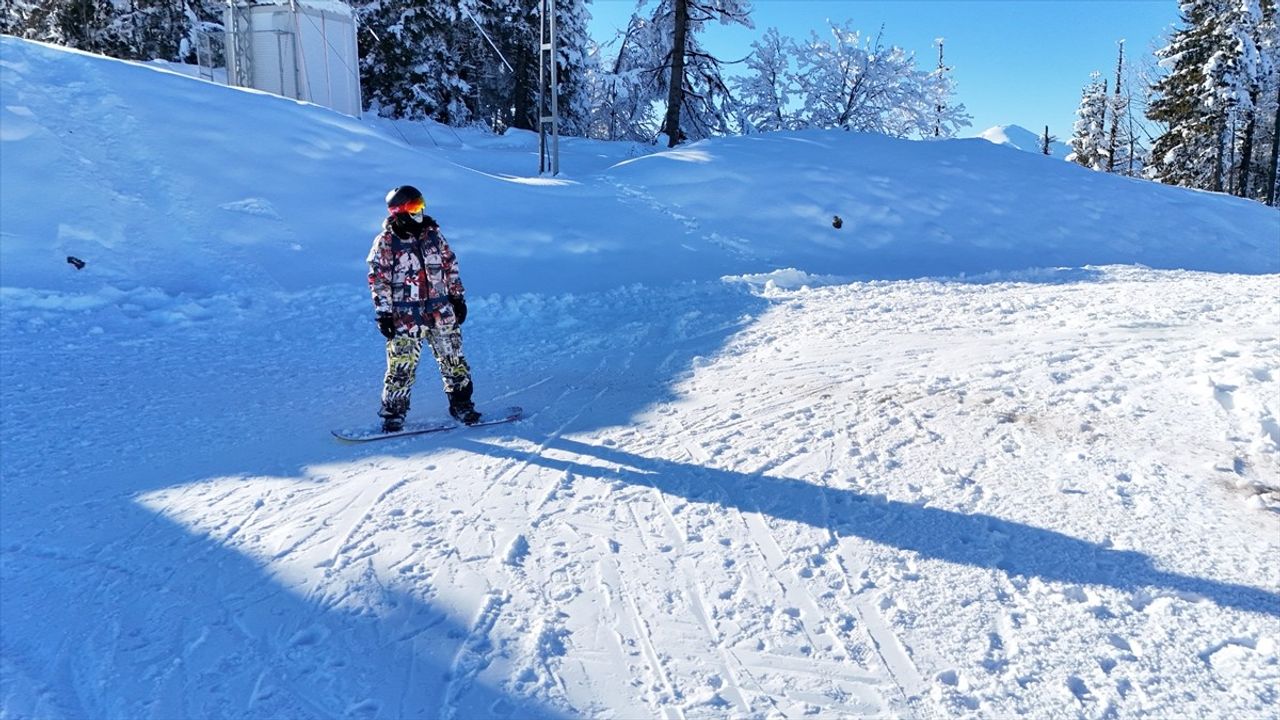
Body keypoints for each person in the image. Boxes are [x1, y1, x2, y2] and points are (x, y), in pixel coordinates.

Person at [367, 185, 480, 432]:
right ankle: (393, 413)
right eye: (413, 207)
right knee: (401, 366)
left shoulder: (433, 235)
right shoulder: (387, 241)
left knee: (454, 360)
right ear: (399, 211)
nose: (420, 211)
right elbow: (378, 279)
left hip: (440, 310)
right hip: (406, 317)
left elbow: (450, 267)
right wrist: (384, 312)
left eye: (421, 205)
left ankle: (461, 404)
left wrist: (457, 298)